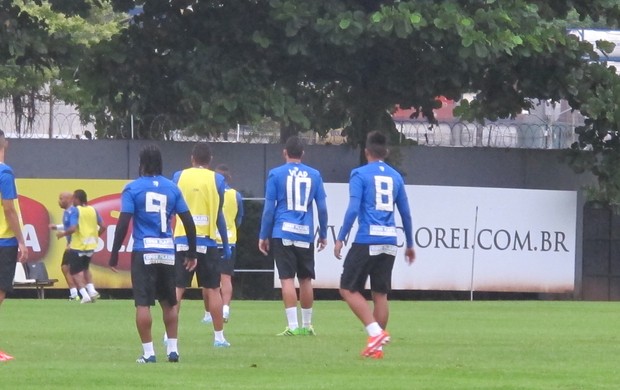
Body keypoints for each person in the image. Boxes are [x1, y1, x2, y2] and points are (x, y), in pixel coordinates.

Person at [109, 144, 197, 364]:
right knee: (170, 303)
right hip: (167, 250)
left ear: (141, 164)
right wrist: (192, 252)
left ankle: (149, 353)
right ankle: (173, 350)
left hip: (144, 250)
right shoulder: (172, 188)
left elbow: (123, 223)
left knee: (143, 304)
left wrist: (115, 252)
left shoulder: (133, 188)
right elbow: (188, 221)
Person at [334, 131, 415, 359]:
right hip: (390, 240)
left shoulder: (359, 174)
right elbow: (406, 214)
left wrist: (341, 237)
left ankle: (375, 332)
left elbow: (352, 209)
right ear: (386, 153)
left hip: (367, 238)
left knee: (348, 289)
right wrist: (410, 243)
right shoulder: (396, 177)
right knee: (380, 294)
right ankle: (376, 348)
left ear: (366, 151)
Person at [258, 136, 328, 336]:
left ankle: (293, 326)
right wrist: (323, 233)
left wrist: (264, 235)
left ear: (284, 153)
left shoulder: (275, 174)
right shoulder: (314, 174)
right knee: (306, 279)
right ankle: (307, 326)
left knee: (287, 279)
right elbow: (322, 208)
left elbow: (269, 209)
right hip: (305, 232)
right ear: (303, 154)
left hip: (283, 231)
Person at [171, 143, 231, 348]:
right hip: (206, 240)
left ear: (192, 158)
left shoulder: (179, 176)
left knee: (178, 289)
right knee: (213, 289)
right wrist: (225, 242)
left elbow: (171, 209)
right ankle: (219, 337)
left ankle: (168, 336)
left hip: (182, 239)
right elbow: (219, 215)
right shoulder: (218, 179)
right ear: (210, 160)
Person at [202, 164, 244, 324]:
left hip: (211, 240)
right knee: (226, 278)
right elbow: (239, 219)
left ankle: (207, 314)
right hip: (230, 241)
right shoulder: (236, 196)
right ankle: (225, 310)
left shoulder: (211, 193)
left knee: (208, 280)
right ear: (229, 178)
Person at [56, 189, 104, 304]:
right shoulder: (92, 209)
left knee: (74, 271)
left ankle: (83, 294)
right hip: (91, 245)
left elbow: (72, 228)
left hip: (77, 245)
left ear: (76, 199)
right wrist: (95, 236)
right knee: (85, 268)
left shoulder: (75, 211)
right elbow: (103, 226)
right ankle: (91, 291)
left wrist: (62, 234)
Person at [0, 129, 28, 308]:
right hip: (4, 239)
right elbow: (9, 209)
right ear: (5, 143)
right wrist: (21, 241)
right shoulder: (5, 173)